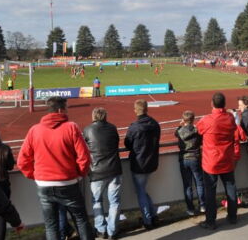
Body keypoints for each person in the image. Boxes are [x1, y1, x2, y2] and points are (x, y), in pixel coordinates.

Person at [17, 97, 94, 240]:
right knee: (81, 220)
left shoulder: (34, 130)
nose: (67, 112)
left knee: (51, 226)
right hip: (68, 183)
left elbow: (22, 161)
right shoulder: (71, 127)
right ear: (60, 110)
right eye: (66, 108)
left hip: (44, 185)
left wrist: (37, 176)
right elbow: (84, 157)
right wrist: (79, 175)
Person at [197, 92, 240, 230]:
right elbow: (234, 129)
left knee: (210, 192)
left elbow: (199, 130)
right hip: (226, 159)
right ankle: (232, 216)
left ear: (212, 103)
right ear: (224, 104)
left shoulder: (207, 119)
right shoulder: (229, 118)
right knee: (230, 188)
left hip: (211, 162)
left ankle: (211, 221)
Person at [83, 107, 122, 240]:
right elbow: (116, 143)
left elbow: (84, 148)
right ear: (105, 116)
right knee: (114, 201)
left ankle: (101, 230)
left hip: (96, 171)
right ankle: (112, 231)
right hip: (114, 169)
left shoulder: (87, 130)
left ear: (93, 116)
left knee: (97, 201)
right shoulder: (112, 128)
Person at [124, 99, 161, 231]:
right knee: (142, 191)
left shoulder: (134, 127)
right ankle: (153, 215)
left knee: (140, 192)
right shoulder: (155, 124)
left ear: (135, 110)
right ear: (146, 109)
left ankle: (148, 220)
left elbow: (127, 144)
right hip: (151, 163)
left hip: (139, 165)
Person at [174, 110, 205, 216]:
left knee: (187, 185)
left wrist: (180, 125)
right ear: (193, 119)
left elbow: (176, 133)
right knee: (199, 183)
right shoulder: (197, 130)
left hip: (184, 159)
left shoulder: (180, 131)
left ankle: (190, 208)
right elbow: (201, 140)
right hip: (195, 158)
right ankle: (202, 205)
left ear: (183, 120)